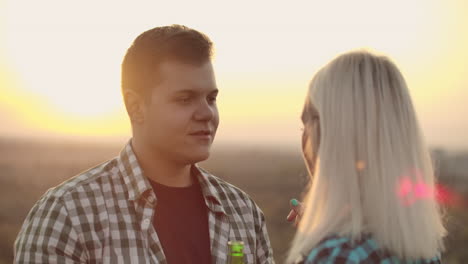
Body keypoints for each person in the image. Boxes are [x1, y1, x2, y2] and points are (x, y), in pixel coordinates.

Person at [14, 25, 274, 263]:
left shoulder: (242, 212)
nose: (206, 113)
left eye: (211, 98)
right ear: (136, 107)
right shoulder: (69, 214)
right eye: (185, 99)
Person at [286, 50, 446, 263]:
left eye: (309, 124)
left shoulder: (338, 255)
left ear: (337, 138)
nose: (305, 143)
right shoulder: (424, 251)